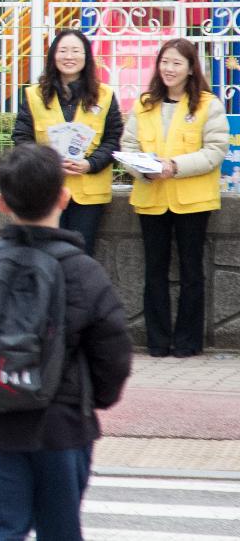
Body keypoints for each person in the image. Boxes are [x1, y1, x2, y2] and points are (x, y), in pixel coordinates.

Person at [0, 144, 132, 541]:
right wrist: (93, 400)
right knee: (60, 531)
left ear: (0, 202)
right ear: (64, 196)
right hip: (61, 426)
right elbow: (113, 351)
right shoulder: (83, 272)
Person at [119, 38, 227, 358]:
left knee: (192, 272)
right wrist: (144, 170)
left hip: (193, 200)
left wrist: (175, 166)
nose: (169, 68)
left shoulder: (208, 104)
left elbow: (215, 151)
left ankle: (188, 342)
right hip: (151, 197)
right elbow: (128, 148)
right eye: (165, 61)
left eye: (177, 63)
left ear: (191, 68)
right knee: (155, 271)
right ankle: (157, 341)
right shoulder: (144, 103)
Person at [12, 29, 123, 257]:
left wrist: (91, 164)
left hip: (89, 193)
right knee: (45, 256)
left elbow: (113, 139)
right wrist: (47, 164)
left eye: (75, 51)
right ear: (53, 56)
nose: (69, 56)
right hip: (46, 190)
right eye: (63, 51)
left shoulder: (105, 95)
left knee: (80, 257)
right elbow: (22, 138)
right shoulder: (35, 95)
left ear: (86, 57)